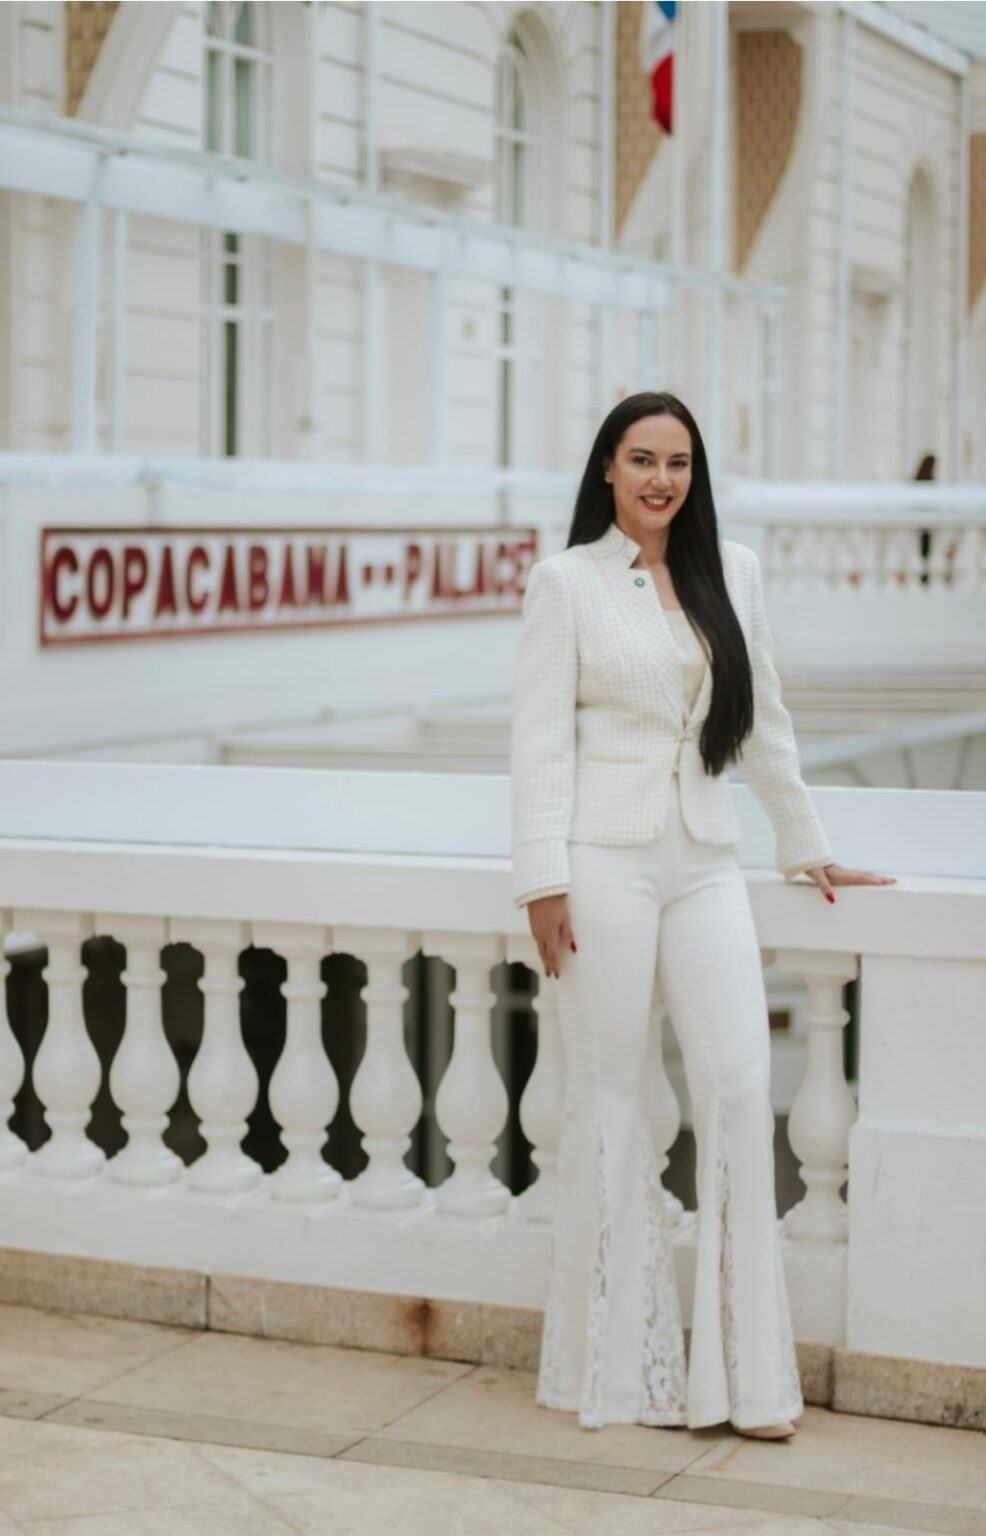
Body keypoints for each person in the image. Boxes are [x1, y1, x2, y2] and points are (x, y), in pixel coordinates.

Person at [510, 392, 896, 1440]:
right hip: (602, 861)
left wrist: (805, 841)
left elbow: (762, 722)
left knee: (736, 1083)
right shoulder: (565, 583)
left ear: (695, 474)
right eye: (641, 459)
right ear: (607, 467)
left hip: (706, 858)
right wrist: (541, 879)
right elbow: (539, 741)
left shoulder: (735, 572)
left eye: (677, 461)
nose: (660, 479)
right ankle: (613, 1374)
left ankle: (745, 1384)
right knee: (610, 1097)